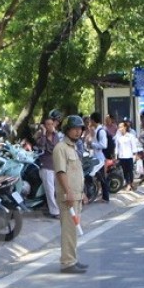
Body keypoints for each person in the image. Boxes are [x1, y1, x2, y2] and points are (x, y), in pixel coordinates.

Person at [53, 115, 88, 274]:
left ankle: (72, 259)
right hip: (68, 197)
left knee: (73, 230)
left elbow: (77, 173)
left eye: (80, 129)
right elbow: (61, 172)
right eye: (75, 129)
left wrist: (83, 193)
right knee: (68, 230)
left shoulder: (73, 148)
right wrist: (68, 192)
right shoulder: (60, 148)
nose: (78, 132)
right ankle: (67, 262)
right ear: (67, 130)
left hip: (77, 195)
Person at [34, 117, 60, 218]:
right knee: (49, 190)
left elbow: (56, 148)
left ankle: (59, 208)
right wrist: (44, 133)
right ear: (44, 126)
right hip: (45, 165)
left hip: (55, 165)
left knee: (57, 189)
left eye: (51, 124)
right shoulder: (41, 136)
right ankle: (54, 211)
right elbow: (41, 146)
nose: (50, 126)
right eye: (47, 124)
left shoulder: (55, 135)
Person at [89, 112, 111, 202]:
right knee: (100, 178)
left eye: (91, 119)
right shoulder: (96, 130)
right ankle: (103, 196)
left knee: (102, 178)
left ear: (93, 120)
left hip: (100, 158)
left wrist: (92, 144)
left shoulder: (101, 131)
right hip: (96, 157)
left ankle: (105, 197)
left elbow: (104, 145)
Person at [114, 121, 139, 191]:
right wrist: (116, 155)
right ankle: (128, 184)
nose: (120, 129)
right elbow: (117, 146)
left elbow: (133, 146)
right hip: (122, 156)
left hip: (129, 156)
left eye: (121, 127)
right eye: (119, 127)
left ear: (125, 127)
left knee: (130, 170)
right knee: (124, 171)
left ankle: (130, 183)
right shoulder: (118, 137)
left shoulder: (130, 136)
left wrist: (135, 154)